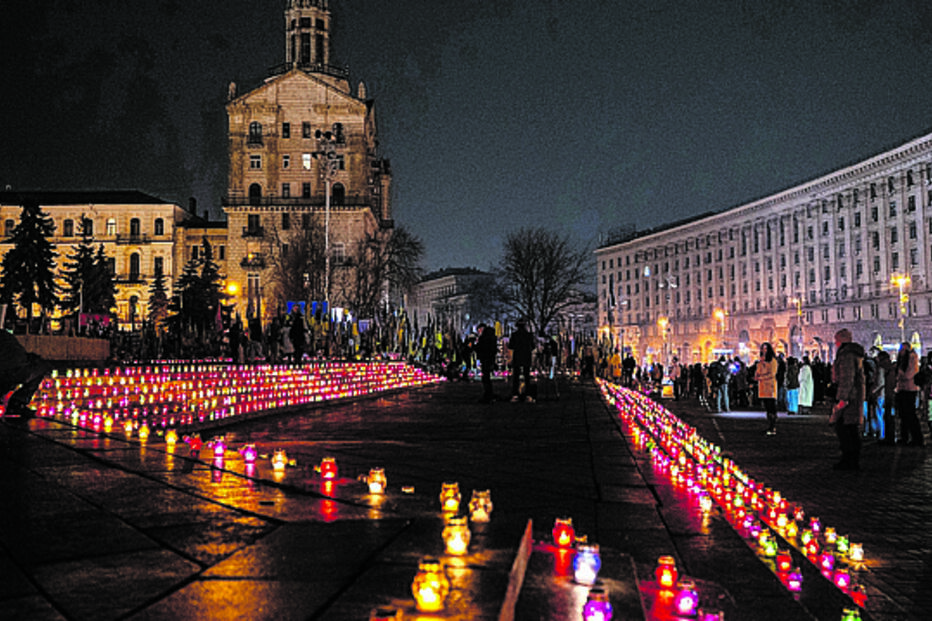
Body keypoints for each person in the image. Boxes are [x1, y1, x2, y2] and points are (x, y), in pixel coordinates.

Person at [830, 329, 865, 470]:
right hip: (853, 396)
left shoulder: (847, 356)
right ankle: (850, 459)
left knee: (846, 429)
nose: (835, 342)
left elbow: (847, 378)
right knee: (849, 429)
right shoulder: (852, 354)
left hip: (849, 398)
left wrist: (842, 399)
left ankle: (850, 460)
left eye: (837, 339)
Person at [0, 329, 52, 418]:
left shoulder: (5, 338)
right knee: (41, 367)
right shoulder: (5, 337)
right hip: (10, 374)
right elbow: (19, 358)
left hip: (9, 374)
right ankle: (18, 403)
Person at [894, 342, 924, 446]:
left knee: (910, 415)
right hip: (902, 389)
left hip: (909, 389)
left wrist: (899, 374)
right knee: (903, 415)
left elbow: (909, 375)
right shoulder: (904, 360)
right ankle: (905, 437)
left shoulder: (911, 358)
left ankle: (916, 438)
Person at [755, 342, 779, 435]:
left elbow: (772, 374)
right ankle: (769, 425)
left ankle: (773, 426)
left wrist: (761, 377)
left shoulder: (772, 361)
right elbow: (758, 372)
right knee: (766, 407)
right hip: (762, 387)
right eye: (762, 349)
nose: (763, 350)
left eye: (765, 348)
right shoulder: (761, 361)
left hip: (770, 387)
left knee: (771, 407)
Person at [508, 319, 534, 402]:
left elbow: (511, 346)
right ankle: (528, 394)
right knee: (527, 377)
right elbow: (533, 346)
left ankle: (515, 394)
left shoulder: (514, 335)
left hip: (517, 356)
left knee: (516, 376)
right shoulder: (529, 335)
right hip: (526, 357)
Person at [877, 350, 897, 444]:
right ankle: (889, 437)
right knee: (888, 417)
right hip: (889, 395)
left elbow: (886, 383)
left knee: (889, 418)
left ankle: (889, 438)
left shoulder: (889, 370)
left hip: (888, 396)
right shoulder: (890, 369)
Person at [475, 323, 498, 403]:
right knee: (487, 377)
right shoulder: (492, 338)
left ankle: (488, 394)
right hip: (490, 359)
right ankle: (489, 394)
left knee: (486, 377)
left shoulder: (484, 338)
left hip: (485, 359)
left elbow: (480, 348)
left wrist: (475, 347)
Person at [863, 350, 884, 439]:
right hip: (875, 393)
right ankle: (875, 431)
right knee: (874, 413)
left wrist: (873, 391)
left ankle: (878, 432)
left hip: (876, 393)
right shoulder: (878, 369)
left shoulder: (879, 369)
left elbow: (879, 382)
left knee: (876, 413)